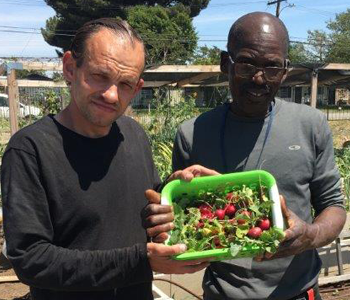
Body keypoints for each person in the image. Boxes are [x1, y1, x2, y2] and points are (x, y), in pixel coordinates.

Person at [0, 18, 211, 300]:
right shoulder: (30, 150)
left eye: (125, 84)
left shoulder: (133, 134)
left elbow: (143, 210)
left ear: (137, 88)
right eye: (100, 76)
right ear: (70, 68)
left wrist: (174, 193)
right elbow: (30, 259)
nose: (112, 95)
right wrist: (141, 261)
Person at [143, 12, 346, 300]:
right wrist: (166, 217)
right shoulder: (192, 134)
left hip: (298, 294)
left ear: (285, 70)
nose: (260, 78)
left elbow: (334, 207)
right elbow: (182, 224)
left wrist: (308, 236)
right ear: (227, 63)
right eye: (247, 64)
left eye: (273, 67)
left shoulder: (310, 125)